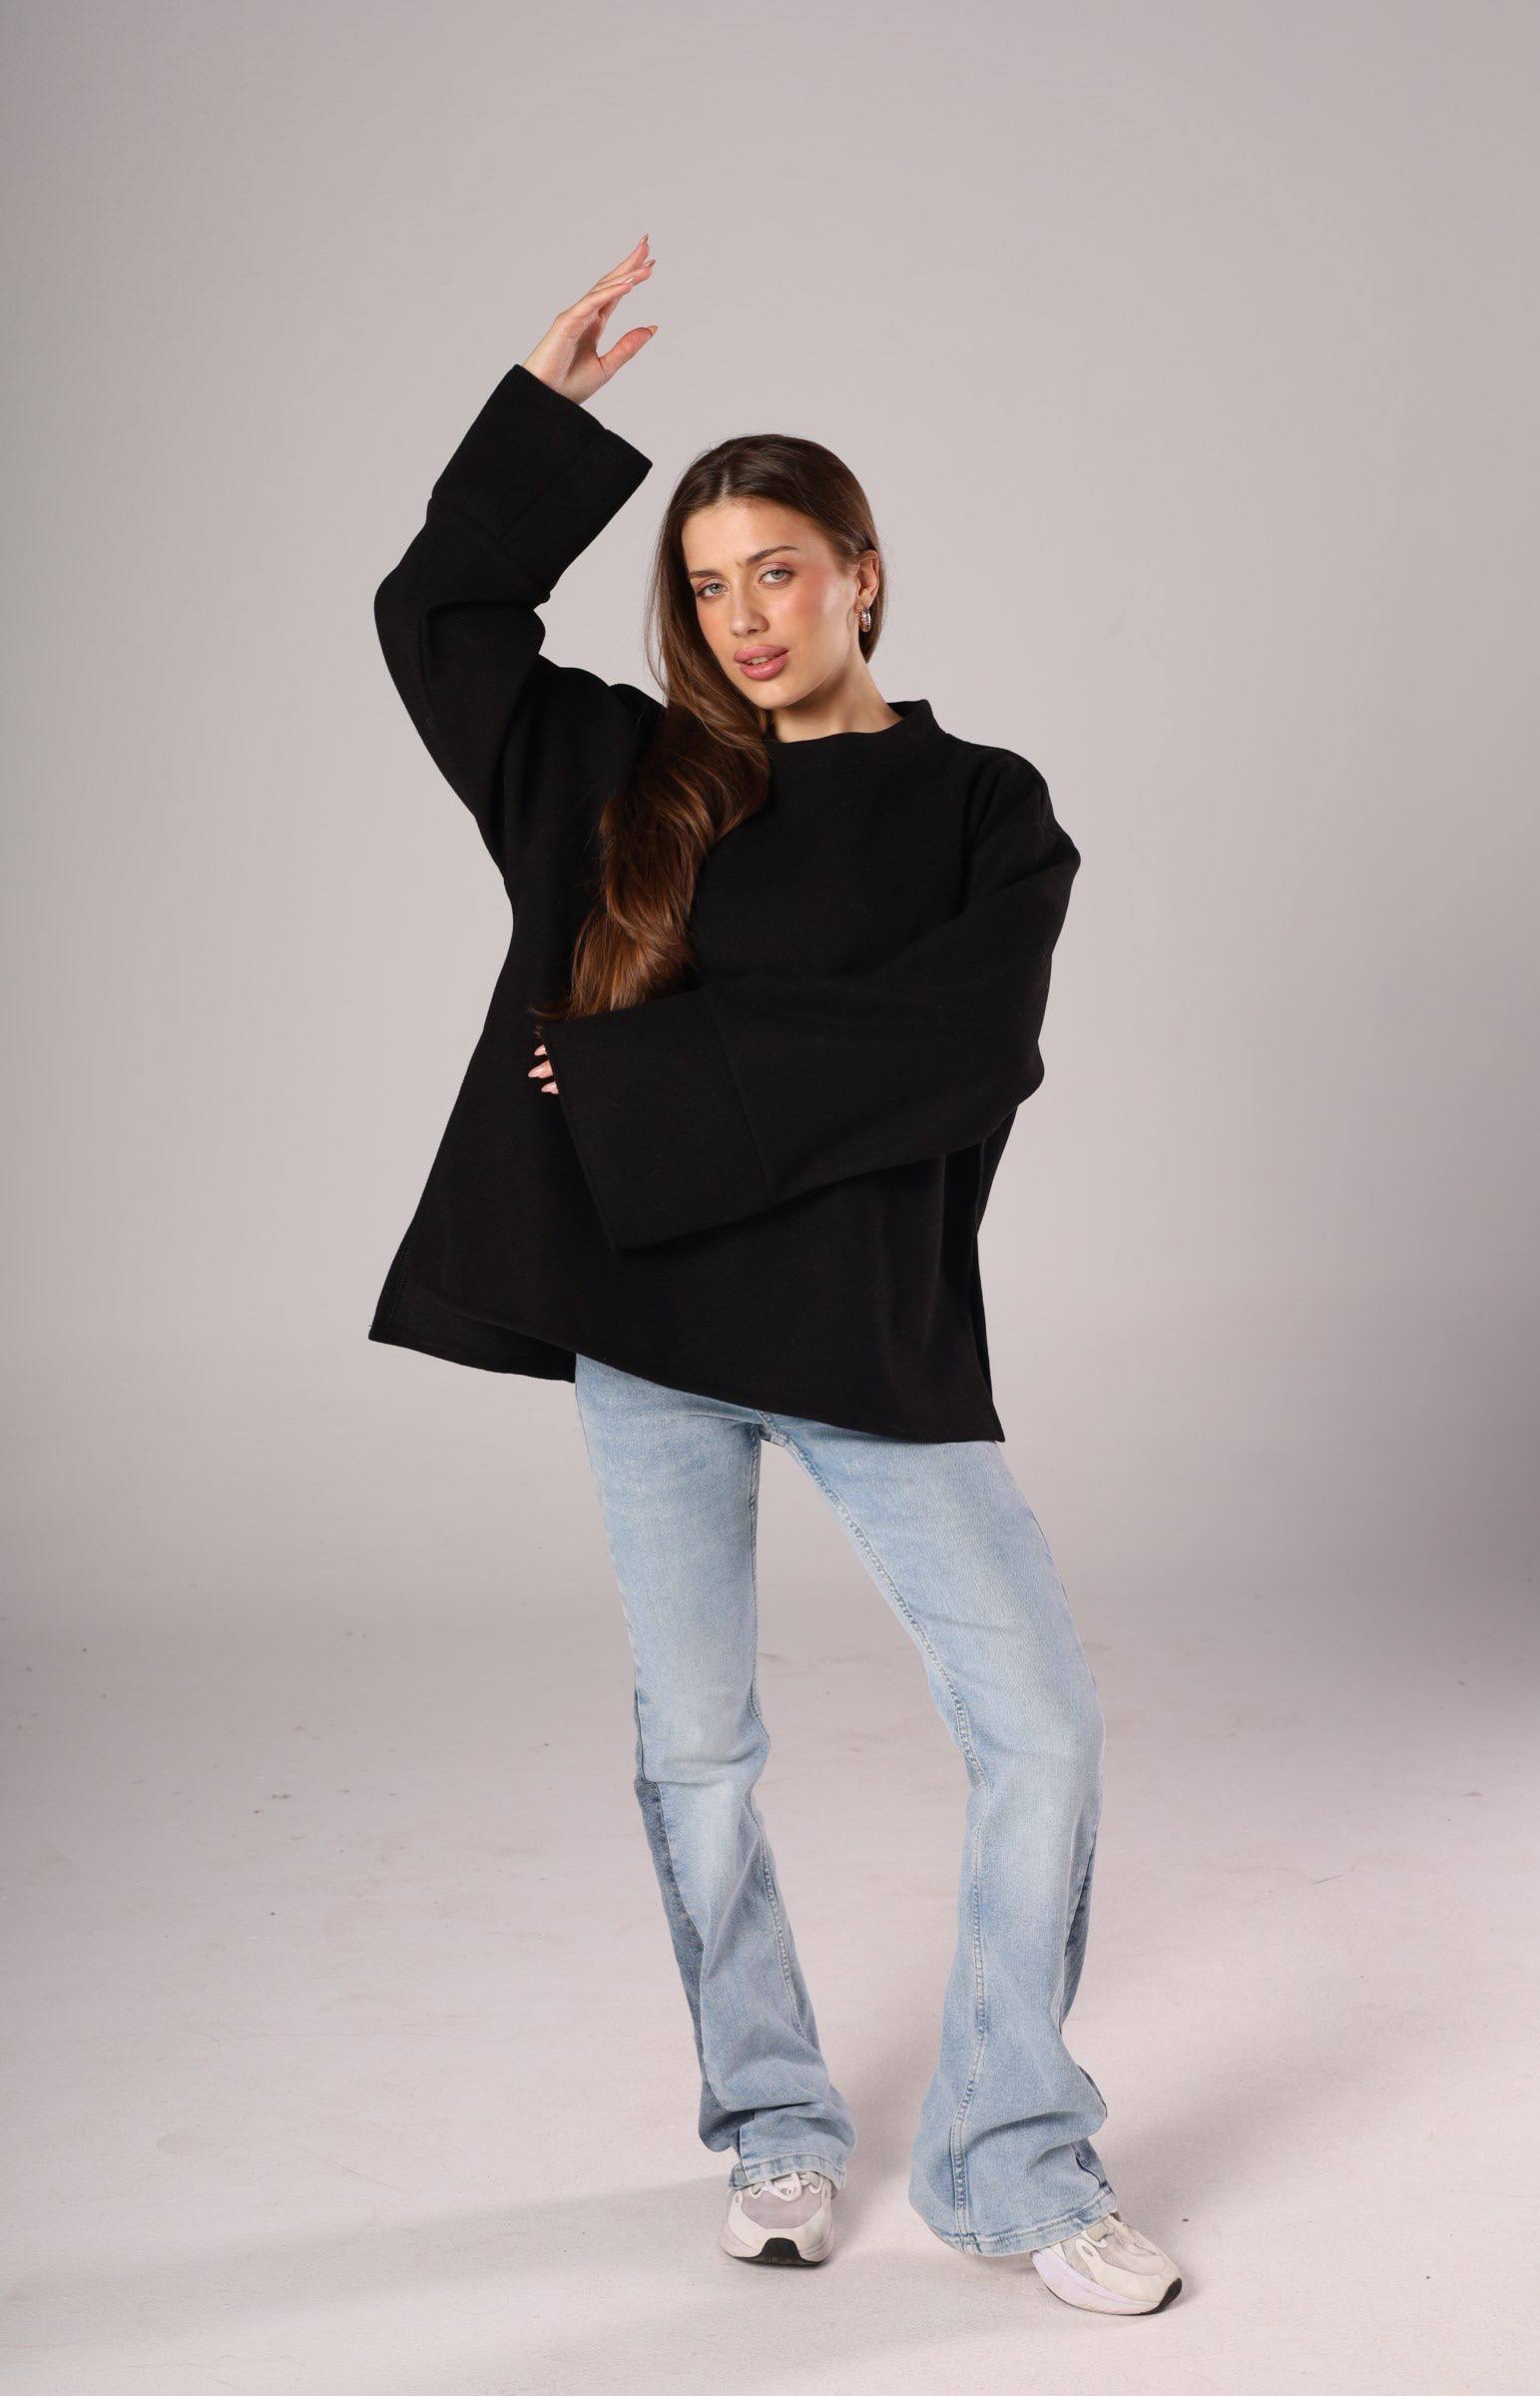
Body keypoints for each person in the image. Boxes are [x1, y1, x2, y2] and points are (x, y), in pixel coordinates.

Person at [368, 235, 1182, 2315]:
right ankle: (774, 2127)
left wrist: (628, 1077)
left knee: (1041, 1732)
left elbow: (960, 1047)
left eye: (780, 573)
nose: (743, 617)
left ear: (861, 576)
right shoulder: (617, 778)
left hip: (858, 1333)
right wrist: (539, 424)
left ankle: (1013, 2159)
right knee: (699, 1754)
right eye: (708, 583)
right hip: (646, 1333)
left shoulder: (982, 808)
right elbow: (434, 616)